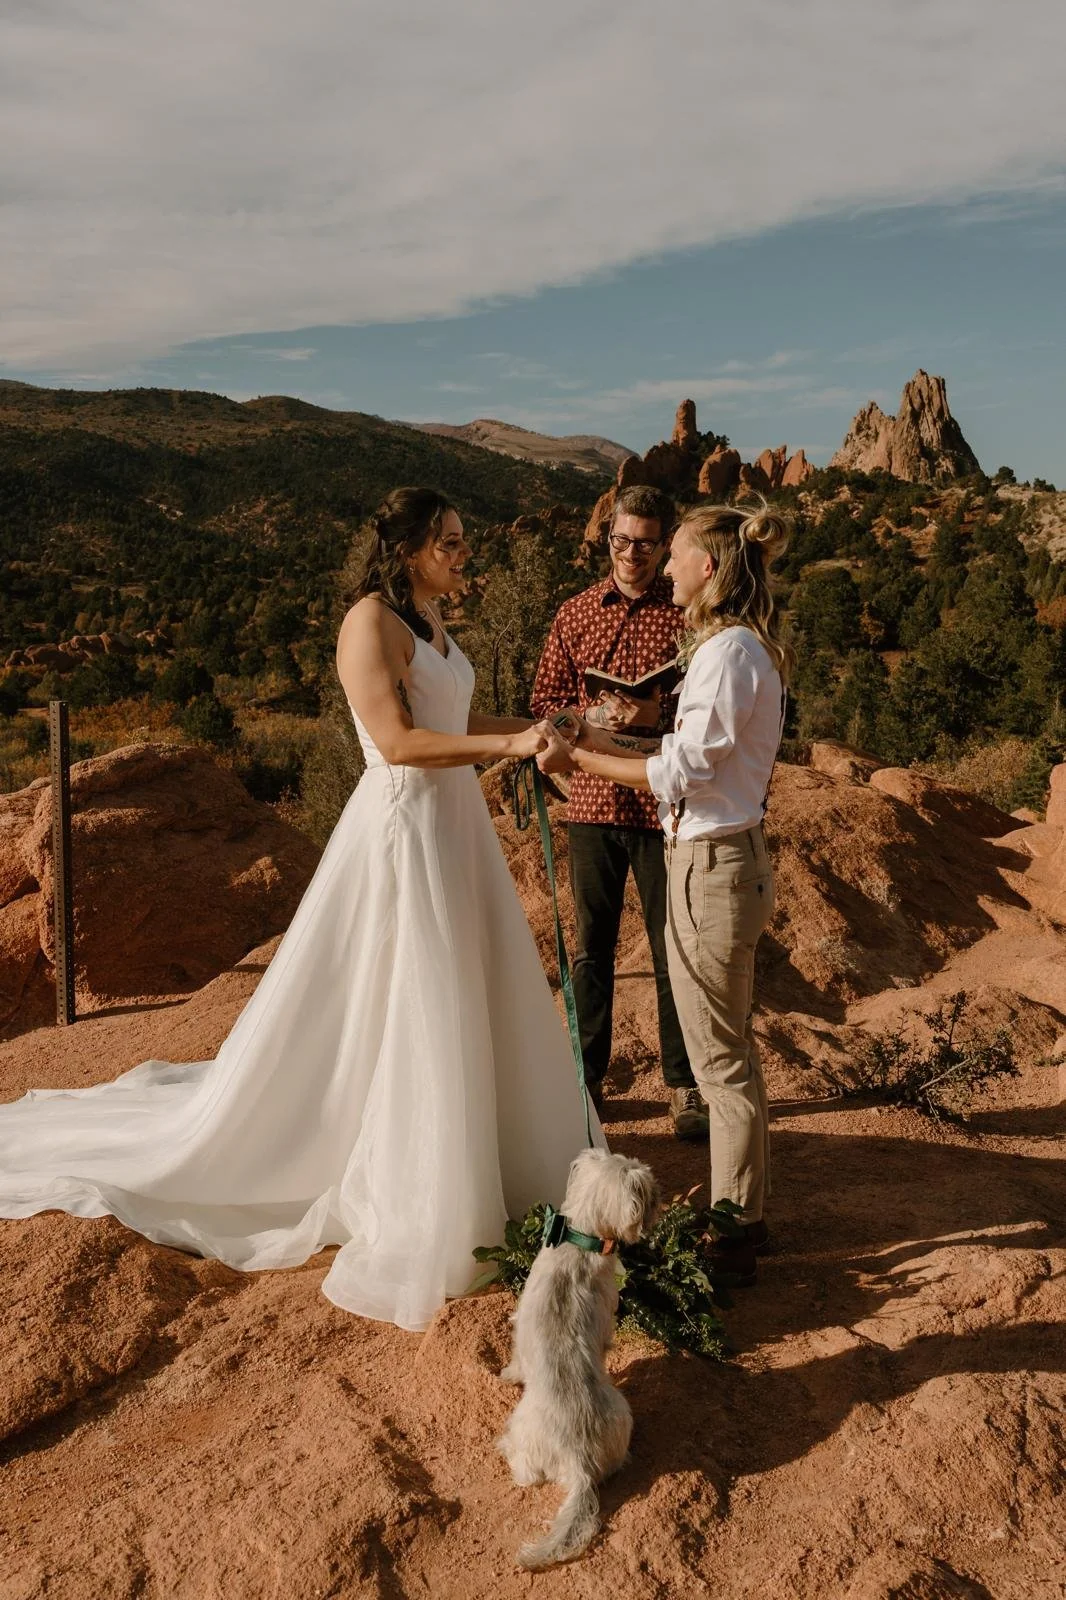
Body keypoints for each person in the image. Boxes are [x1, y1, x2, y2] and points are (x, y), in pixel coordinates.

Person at [0, 487, 601, 1333]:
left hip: (452, 827)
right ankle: (413, 1176)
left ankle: (487, 1157)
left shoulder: (432, 625)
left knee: (461, 990)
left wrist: (540, 725)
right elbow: (394, 743)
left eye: (465, 542)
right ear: (410, 548)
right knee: (408, 996)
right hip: (404, 831)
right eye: (453, 543)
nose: (466, 554)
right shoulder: (370, 622)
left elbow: (456, 719)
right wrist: (509, 748)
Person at [538, 501, 791, 1284]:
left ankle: (736, 1231)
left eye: (675, 553)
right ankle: (738, 1211)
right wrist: (586, 735)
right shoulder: (730, 648)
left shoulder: (726, 655)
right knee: (725, 1052)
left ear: (705, 566)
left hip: (713, 865)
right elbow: (677, 752)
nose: (666, 565)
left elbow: (675, 772)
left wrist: (581, 763)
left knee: (721, 1064)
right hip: (707, 857)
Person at [531, 484, 707, 1140]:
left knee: (675, 950)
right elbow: (544, 698)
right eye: (621, 541)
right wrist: (582, 718)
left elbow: (711, 700)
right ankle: (586, 1079)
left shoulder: (689, 612)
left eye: (646, 542)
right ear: (606, 541)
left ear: (665, 544)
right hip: (595, 802)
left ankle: (684, 1086)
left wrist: (654, 712)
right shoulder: (574, 614)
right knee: (591, 951)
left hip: (669, 805)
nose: (633, 553)